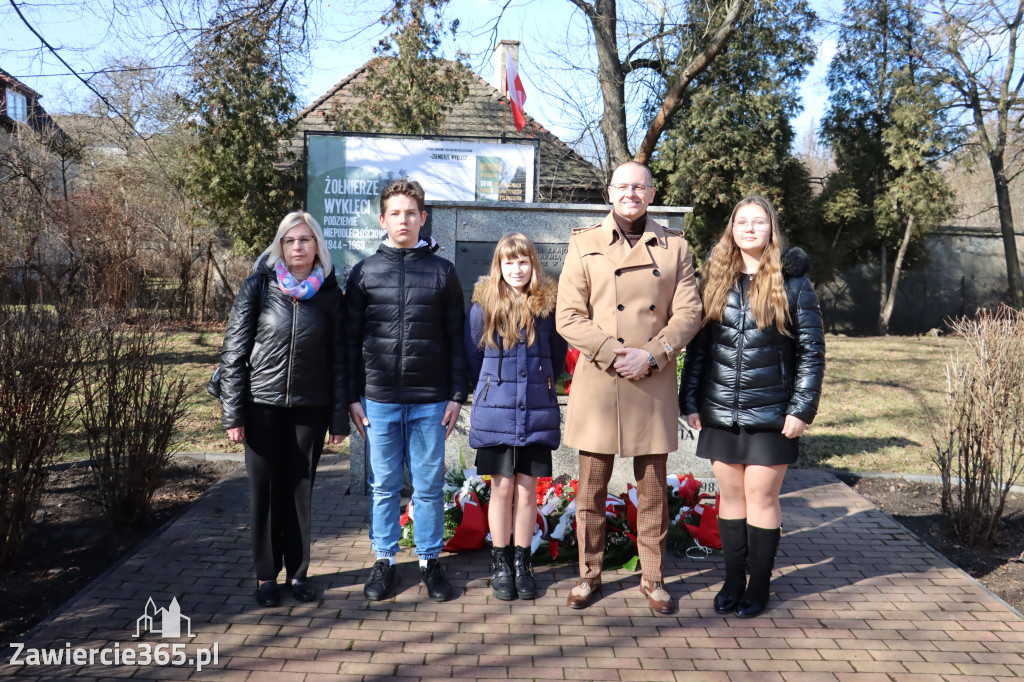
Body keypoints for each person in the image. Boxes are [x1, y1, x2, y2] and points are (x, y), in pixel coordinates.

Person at [555, 161, 702, 614]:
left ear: (653, 193)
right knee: (591, 489)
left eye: (639, 186)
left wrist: (652, 354)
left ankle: (654, 578)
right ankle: (588, 575)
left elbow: (689, 313)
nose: (631, 193)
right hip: (600, 380)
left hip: (651, 379)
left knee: (654, 489)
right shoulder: (583, 244)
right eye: (623, 186)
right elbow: (567, 316)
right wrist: (615, 352)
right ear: (609, 192)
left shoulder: (675, 247)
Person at [680, 195, 825, 618]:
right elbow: (700, 350)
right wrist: (690, 400)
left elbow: (812, 354)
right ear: (731, 230)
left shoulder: (794, 284)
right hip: (720, 411)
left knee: (761, 498)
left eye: (758, 222)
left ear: (771, 229)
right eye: (741, 222)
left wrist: (801, 409)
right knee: (730, 497)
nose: (749, 228)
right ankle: (732, 581)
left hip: (772, 414)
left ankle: (758, 586)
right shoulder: (715, 281)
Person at [346, 178, 468, 603]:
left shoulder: (443, 272)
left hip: (430, 400)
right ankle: (384, 559)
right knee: (383, 486)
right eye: (395, 213)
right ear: (383, 219)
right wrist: (350, 397)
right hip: (378, 400)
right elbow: (349, 342)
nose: (404, 220)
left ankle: (429, 560)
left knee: (429, 486)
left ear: (423, 218)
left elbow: (456, 338)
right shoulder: (363, 273)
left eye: (411, 213)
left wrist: (457, 395)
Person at [219, 211, 349, 607]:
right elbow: (234, 351)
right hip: (261, 406)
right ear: (280, 246)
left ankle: (298, 574)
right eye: (290, 240)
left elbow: (340, 360)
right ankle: (265, 577)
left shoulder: (330, 295)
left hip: (310, 408)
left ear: (317, 246)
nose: (298, 247)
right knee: (264, 492)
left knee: (299, 492)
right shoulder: (259, 286)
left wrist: (339, 416)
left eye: (306, 239)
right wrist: (233, 413)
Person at [465, 233, 567, 601]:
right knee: (502, 488)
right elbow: (475, 358)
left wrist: (541, 384)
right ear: (499, 266)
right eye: (509, 262)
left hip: (536, 411)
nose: (516, 268)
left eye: (523, 261)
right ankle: (500, 561)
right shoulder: (483, 307)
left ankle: (523, 561)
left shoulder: (547, 308)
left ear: (533, 264)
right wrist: (494, 388)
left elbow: (556, 357)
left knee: (527, 491)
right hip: (497, 413)